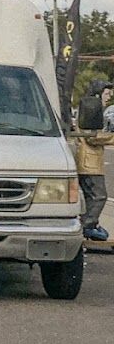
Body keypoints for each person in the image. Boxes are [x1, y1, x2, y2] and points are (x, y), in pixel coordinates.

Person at [72, 79, 114, 242]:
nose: (109, 97)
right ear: (98, 94)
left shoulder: (92, 109)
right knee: (99, 195)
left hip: (89, 162)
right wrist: (111, 138)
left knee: (91, 197)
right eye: (106, 93)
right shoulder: (91, 109)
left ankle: (88, 224)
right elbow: (92, 137)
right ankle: (88, 226)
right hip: (89, 164)